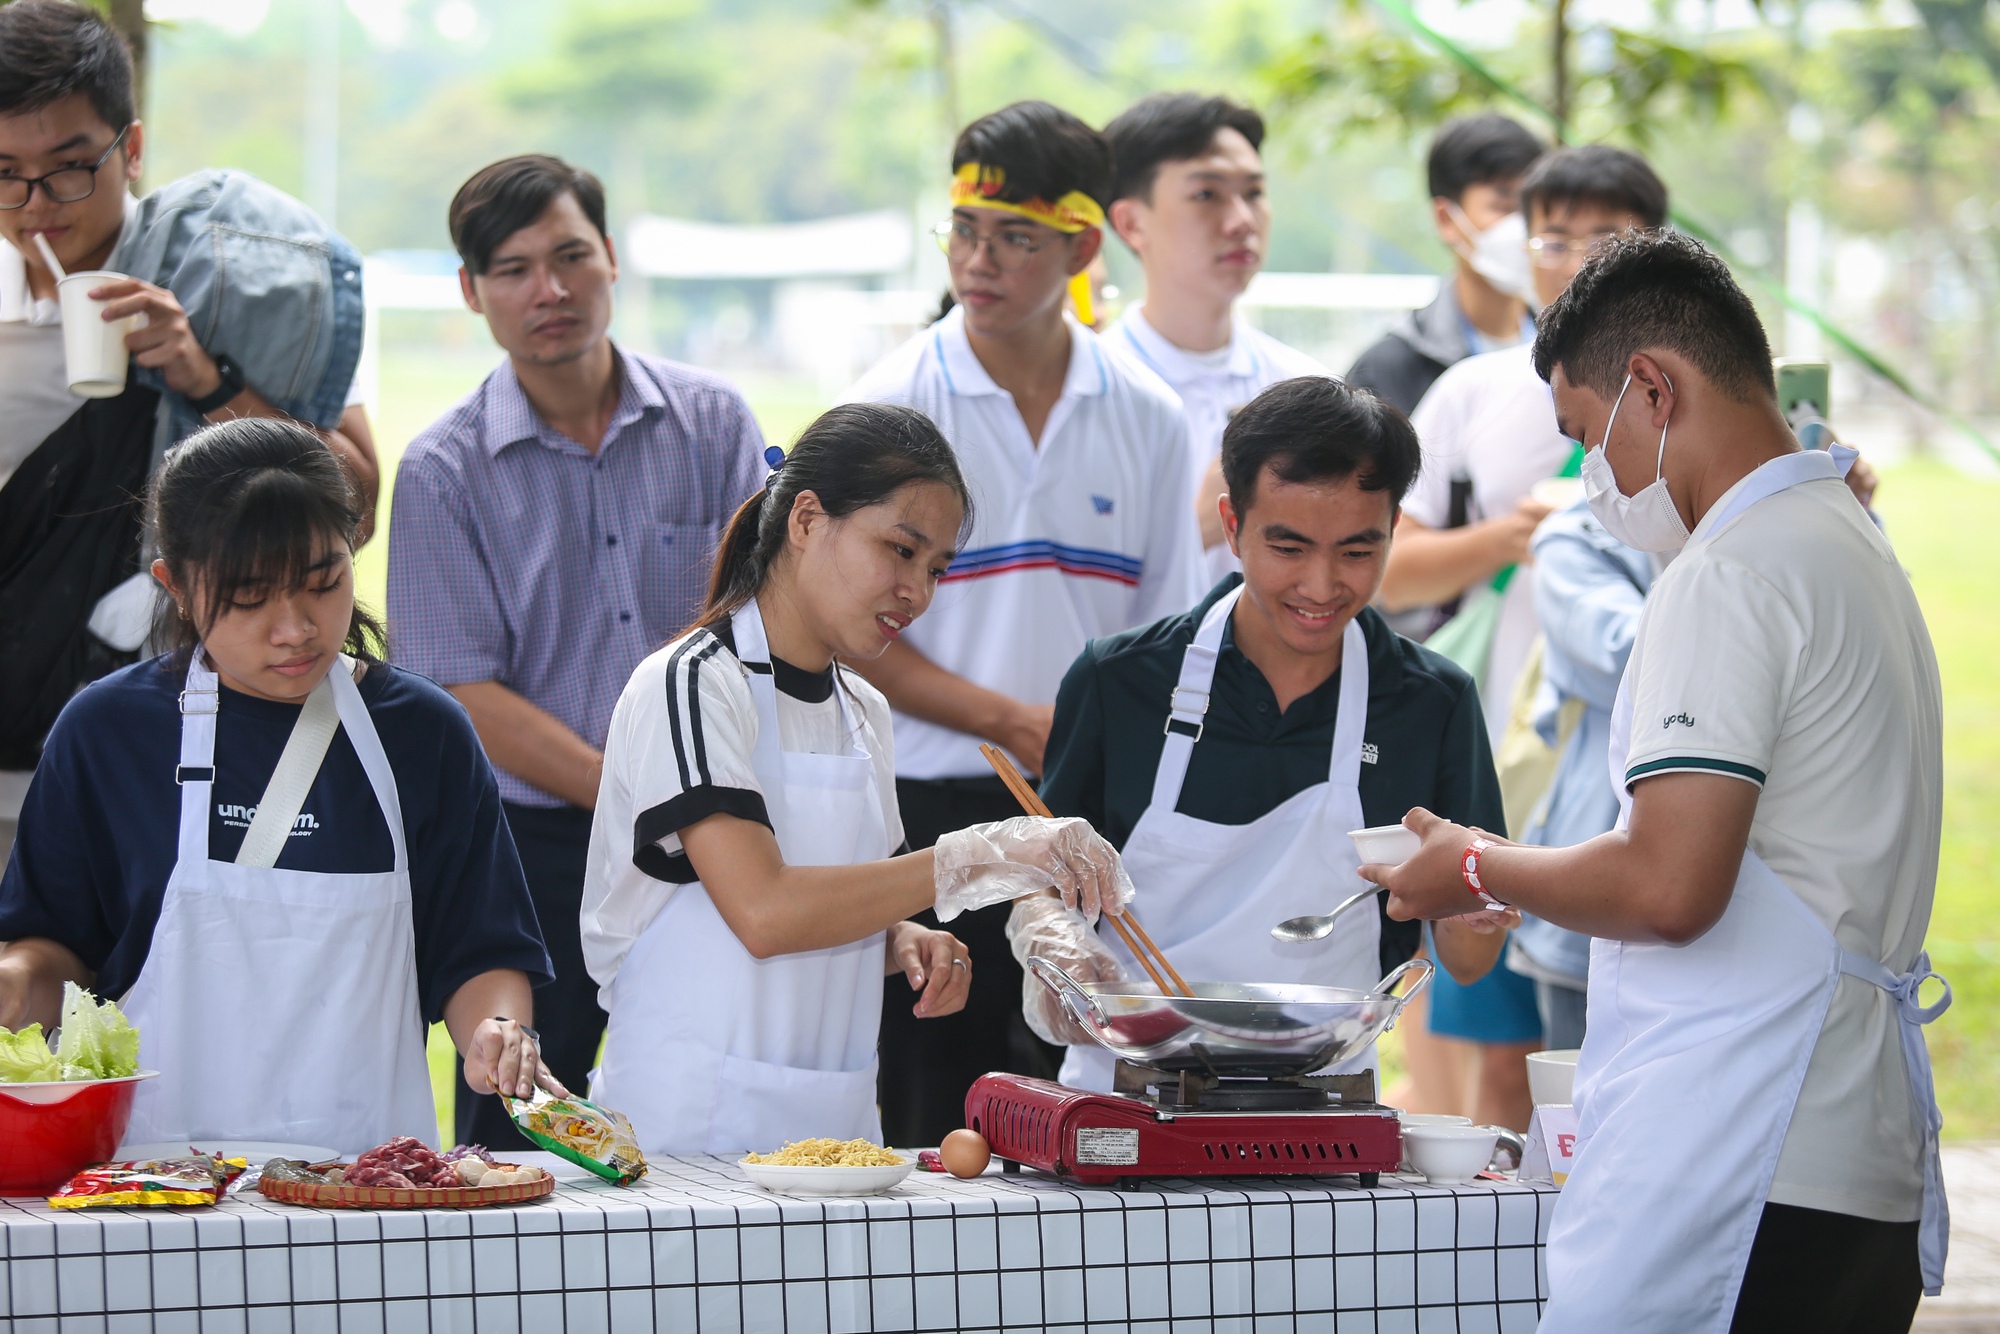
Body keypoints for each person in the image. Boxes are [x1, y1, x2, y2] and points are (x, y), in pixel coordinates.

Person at [1367, 230, 1948, 1333]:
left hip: (1744, 1154)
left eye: (1587, 436)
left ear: (1651, 389)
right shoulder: (1848, 541)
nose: (1596, 479)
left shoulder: (1726, 572)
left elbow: (1669, 882)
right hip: (1845, 1150)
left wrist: (1473, 861)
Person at [581, 403, 1136, 1156]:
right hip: (685, 1135)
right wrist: (974, 858)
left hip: (833, 1137)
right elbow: (764, 910)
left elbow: (844, 899)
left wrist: (904, 940)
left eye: (935, 569)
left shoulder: (864, 711)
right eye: (900, 550)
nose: (917, 591)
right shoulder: (689, 684)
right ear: (807, 519)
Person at [0, 419, 555, 1153]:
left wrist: (497, 1031)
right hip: (149, 1183)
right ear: (178, 585)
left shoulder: (424, 734)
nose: (294, 629)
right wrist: (16, 983)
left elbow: (478, 949)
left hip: (367, 1183)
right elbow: (55, 946)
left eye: (322, 584)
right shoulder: (108, 730)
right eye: (250, 598)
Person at [843, 101, 1205, 1146]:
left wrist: (1085, 758)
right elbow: (854, 629)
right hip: (926, 808)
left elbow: (1162, 637)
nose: (978, 259)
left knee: (1078, 1093)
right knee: (933, 1099)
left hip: (1079, 810)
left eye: (1014, 237)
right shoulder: (894, 404)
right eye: (962, 230)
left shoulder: (1145, 412)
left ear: (1084, 245)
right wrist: (1005, 716)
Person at [386, 154, 765, 1150]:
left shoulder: (714, 422)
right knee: (522, 1106)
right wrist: (635, 788)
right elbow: (462, 687)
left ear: (610, 258)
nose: (547, 290)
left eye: (568, 256)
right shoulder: (442, 468)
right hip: (534, 844)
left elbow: (755, 616)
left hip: (715, 826)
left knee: (704, 1091)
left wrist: (685, 797)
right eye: (511, 270)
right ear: (471, 291)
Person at [1025, 375, 1516, 1089]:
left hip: (1325, 1103)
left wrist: (1475, 910)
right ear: (1231, 525)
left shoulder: (1430, 702)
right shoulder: (1120, 682)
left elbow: (1467, 965)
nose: (1321, 586)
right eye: (1288, 548)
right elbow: (1040, 884)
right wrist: (1055, 948)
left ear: (1393, 532)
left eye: (1357, 551)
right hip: (1123, 1089)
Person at [0, 0, 377, 861]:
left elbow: (354, 502)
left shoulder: (234, 281)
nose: (35, 206)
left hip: (158, 755)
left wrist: (208, 380)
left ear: (129, 149)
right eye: (4, 173)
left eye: (68, 167)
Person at [1379, 145, 1671, 1127]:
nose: (1576, 257)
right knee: (1508, 1079)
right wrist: (1517, 535)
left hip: (1661, 775)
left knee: (1636, 1070)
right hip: (1512, 777)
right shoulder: (1473, 389)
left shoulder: (1689, 399)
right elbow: (1383, 563)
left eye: (1607, 235)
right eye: (1553, 235)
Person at [1099, 93, 1329, 580]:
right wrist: (1198, 527)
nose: (1242, 219)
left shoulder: (1306, 390)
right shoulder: (1090, 393)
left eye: (1254, 193)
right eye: (1207, 194)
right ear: (1130, 222)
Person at [1345, 114, 1545, 415]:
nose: (1520, 227)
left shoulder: (1568, 353)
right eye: (1503, 206)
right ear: (1446, 219)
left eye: (1530, 209)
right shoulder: (1386, 372)